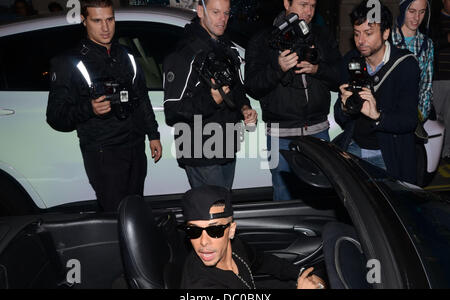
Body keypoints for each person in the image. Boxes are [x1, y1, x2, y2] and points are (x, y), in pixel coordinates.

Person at [46, 0, 162, 212]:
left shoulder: (127, 55)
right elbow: (55, 116)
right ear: (84, 21)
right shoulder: (69, 62)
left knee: (135, 212)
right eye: (97, 20)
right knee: (114, 216)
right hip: (104, 153)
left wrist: (153, 135)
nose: (106, 27)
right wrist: (89, 108)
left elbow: (141, 97)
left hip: (135, 148)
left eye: (109, 19)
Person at [245, 0, 341, 201]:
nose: (309, 11)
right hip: (281, 135)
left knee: (322, 196)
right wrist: (278, 69)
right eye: (303, 4)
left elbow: (341, 76)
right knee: (283, 195)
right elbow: (253, 86)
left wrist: (318, 69)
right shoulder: (263, 40)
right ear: (286, 3)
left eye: (313, 6)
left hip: (318, 132)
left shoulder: (322, 36)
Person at [163, 0, 257, 190]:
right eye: (216, 12)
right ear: (200, 11)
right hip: (200, 151)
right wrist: (212, 100)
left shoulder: (225, 46)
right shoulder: (185, 52)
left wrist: (245, 108)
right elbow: (173, 111)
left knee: (223, 210)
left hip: (226, 146)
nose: (222, 19)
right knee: (213, 214)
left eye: (226, 13)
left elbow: (236, 89)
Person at [334, 0, 420, 184]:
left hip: (388, 155)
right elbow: (340, 117)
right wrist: (344, 107)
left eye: (368, 33)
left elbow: (409, 120)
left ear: (386, 32)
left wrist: (377, 116)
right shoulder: (351, 60)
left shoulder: (405, 65)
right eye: (356, 34)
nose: (360, 41)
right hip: (354, 148)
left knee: (386, 211)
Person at [180, 185, 326, 289]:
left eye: (215, 230)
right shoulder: (200, 285)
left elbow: (264, 261)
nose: (203, 242)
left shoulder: (236, 246)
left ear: (231, 230)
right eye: (193, 231)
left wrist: (302, 274)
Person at [391, 0, 434, 123]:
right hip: (387, 113)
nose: (417, 18)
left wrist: (420, 116)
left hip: (413, 116)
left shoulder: (427, 44)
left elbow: (426, 85)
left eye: (422, 12)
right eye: (412, 11)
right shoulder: (388, 39)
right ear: (403, 9)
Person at [432, 0, 450, 158]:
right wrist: (447, 39)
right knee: (435, 119)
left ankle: (446, 153)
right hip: (437, 79)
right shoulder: (434, 20)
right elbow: (431, 43)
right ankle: (432, 153)